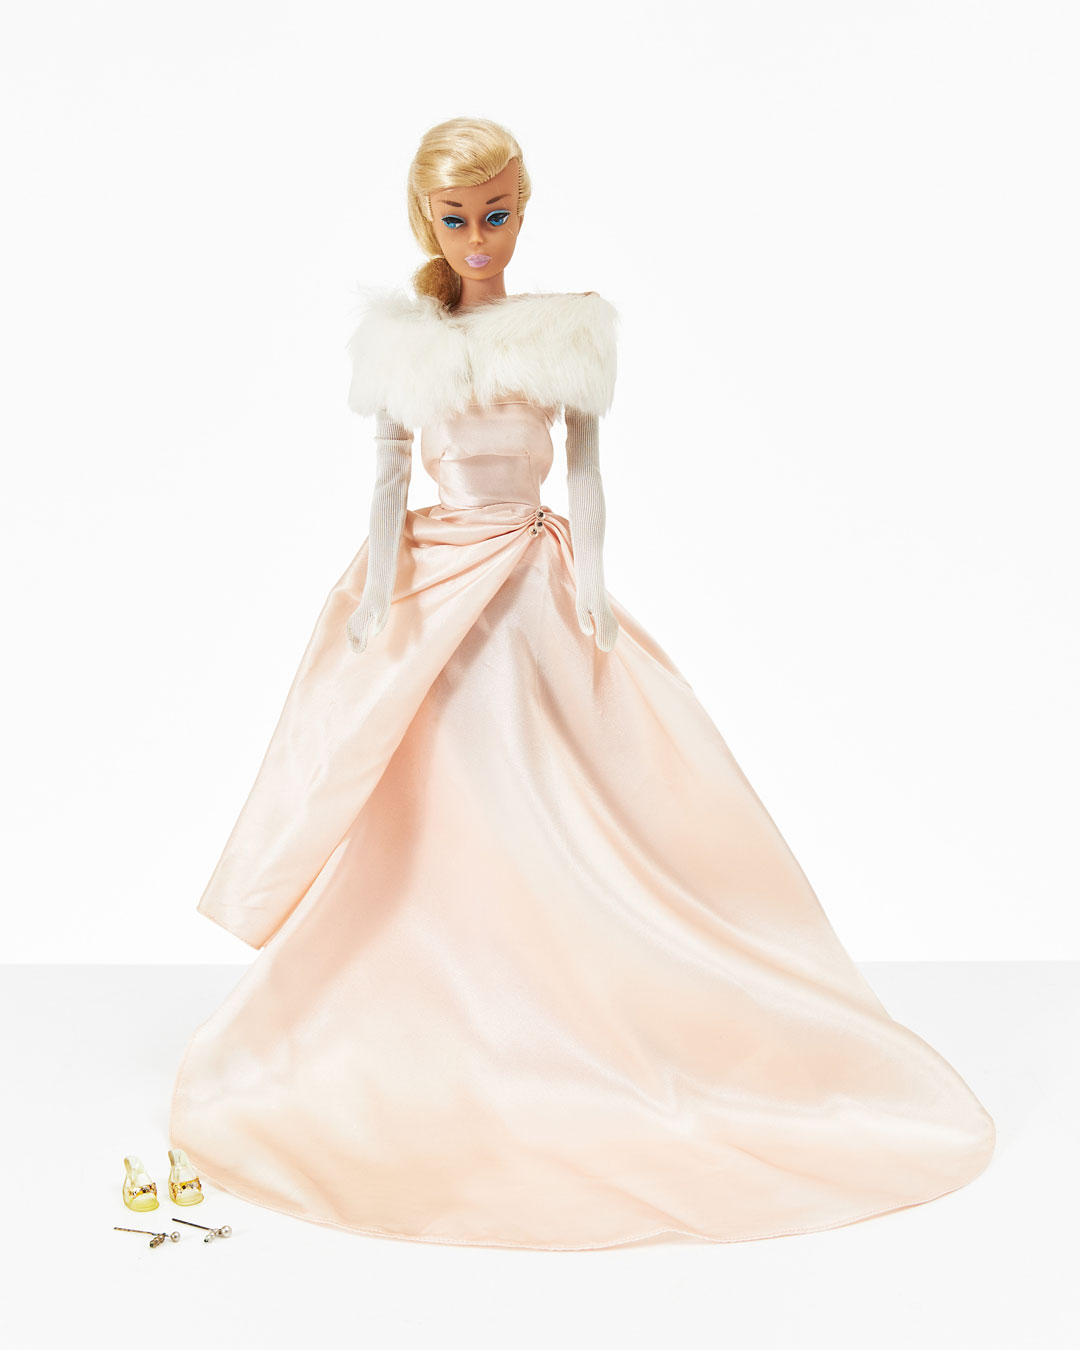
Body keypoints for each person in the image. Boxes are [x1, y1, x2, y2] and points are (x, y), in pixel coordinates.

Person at [169, 116, 995, 1250]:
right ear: (427, 222)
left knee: (566, 788)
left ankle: (577, 992)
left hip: (532, 580)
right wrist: (376, 595)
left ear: (523, 211)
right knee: (437, 796)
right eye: (457, 219)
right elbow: (387, 479)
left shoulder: (563, 333)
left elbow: (590, 476)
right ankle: (440, 998)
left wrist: (594, 582)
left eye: (498, 214)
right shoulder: (405, 344)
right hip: (441, 583)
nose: (479, 238)